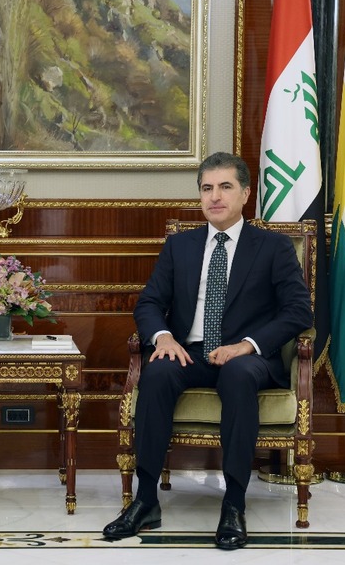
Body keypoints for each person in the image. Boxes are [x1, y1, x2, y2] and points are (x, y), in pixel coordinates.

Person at [102, 152, 312, 549]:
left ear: (245, 194)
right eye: (207, 188)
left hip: (248, 358)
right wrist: (163, 338)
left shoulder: (273, 247)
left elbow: (299, 311)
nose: (215, 196)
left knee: (238, 375)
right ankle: (145, 500)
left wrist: (246, 346)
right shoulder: (179, 246)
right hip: (191, 352)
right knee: (157, 372)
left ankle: (234, 504)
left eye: (225, 187)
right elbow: (149, 303)